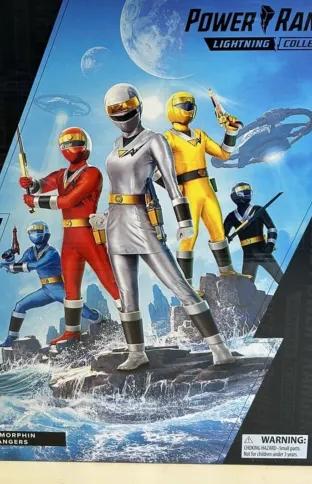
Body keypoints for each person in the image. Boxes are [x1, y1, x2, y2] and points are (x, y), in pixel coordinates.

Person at [100, 83, 234, 370]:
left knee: (179, 285)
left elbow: (172, 184)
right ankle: (136, 353)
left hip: (142, 220)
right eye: (116, 112)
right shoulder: (116, 146)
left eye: (127, 109)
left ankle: (218, 347)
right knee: (127, 294)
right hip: (115, 222)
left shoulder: (155, 140)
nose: (123, 116)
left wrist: (183, 219)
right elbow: (123, 185)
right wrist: (105, 215)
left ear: (138, 107)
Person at [21, 127, 121, 344]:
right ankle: (72, 331)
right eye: (66, 144)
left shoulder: (92, 173)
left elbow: (68, 201)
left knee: (110, 280)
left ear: (86, 145)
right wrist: (31, 185)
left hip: (88, 234)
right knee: (70, 287)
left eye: (75, 143)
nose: (71, 147)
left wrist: (34, 201)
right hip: (70, 238)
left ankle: (130, 324)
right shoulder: (61, 174)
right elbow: (43, 185)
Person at [161, 91, 242, 290]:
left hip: (206, 188)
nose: (188, 108)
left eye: (190, 105)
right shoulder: (168, 137)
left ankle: (227, 272)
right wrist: (174, 189)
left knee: (218, 231)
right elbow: (155, 170)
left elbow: (224, 154)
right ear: (172, 109)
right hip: (187, 191)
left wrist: (230, 131)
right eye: (183, 105)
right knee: (190, 236)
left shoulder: (200, 134)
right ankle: (186, 286)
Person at [0, 220, 101, 348]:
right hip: (46, 290)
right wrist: (10, 259)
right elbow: (16, 269)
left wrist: (11, 266)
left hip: (60, 288)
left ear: (45, 234)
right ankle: (11, 337)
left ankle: (100, 319)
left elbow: (36, 265)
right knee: (19, 306)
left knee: (87, 314)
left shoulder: (52, 253)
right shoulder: (30, 252)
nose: (35, 234)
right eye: (32, 231)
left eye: (38, 231)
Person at [224, 182, 284, 283]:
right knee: (246, 286)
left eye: (248, 191)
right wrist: (226, 238)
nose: (247, 194)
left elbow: (272, 228)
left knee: (281, 279)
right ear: (235, 195)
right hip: (247, 256)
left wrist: (270, 244)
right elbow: (222, 235)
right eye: (244, 192)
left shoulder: (258, 209)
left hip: (263, 251)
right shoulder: (231, 216)